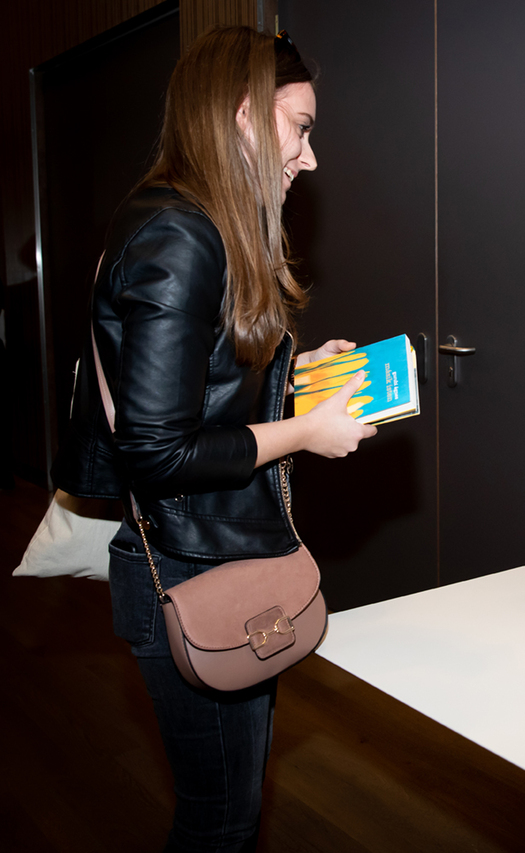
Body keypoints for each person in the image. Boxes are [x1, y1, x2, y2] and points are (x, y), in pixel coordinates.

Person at [52, 27, 376, 852]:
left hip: (214, 551)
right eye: (300, 127)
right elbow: (159, 450)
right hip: (191, 566)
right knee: (220, 820)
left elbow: (194, 379)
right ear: (242, 116)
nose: (310, 157)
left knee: (231, 806)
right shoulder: (178, 236)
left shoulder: (189, 219)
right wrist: (306, 429)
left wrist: (295, 372)